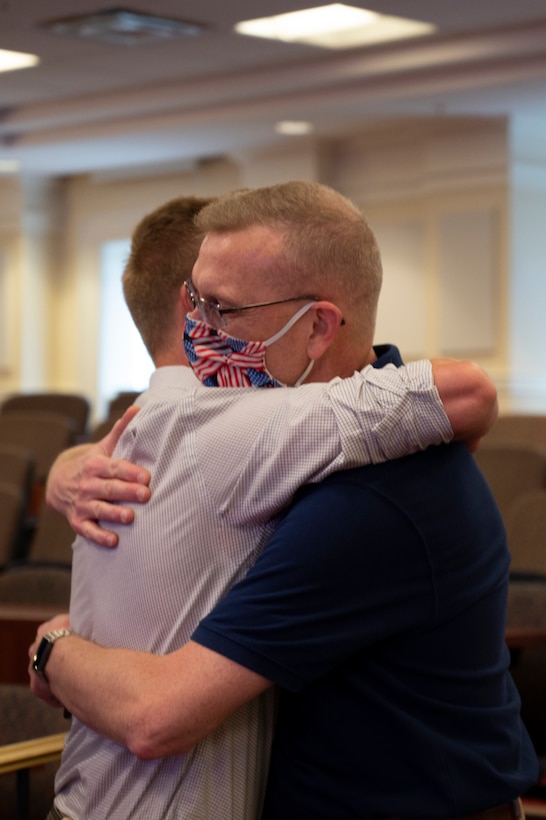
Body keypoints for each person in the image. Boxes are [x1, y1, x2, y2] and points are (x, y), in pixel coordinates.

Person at [30, 182, 528, 820]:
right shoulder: (295, 439)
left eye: (225, 312)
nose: (198, 335)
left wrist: (56, 646)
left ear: (318, 327)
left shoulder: (368, 499)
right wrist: (67, 472)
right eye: (197, 306)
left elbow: (157, 716)